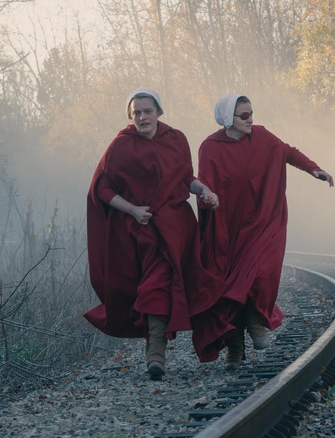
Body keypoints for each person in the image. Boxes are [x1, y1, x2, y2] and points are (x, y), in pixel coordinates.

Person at [84, 87, 224, 380]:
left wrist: (206, 191)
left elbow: (186, 179)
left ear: (159, 112)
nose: (143, 117)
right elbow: (103, 188)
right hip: (139, 232)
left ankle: (156, 352)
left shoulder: (176, 139)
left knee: (162, 283)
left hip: (176, 228)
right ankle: (156, 350)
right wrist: (132, 209)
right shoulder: (121, 146)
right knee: (151, 285)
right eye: (137, 113)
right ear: (130, 116)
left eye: (148, 111)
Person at [194, 94, 334, 370]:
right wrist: (207, 196)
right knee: (229, 287)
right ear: (226, 119)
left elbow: (288, 152)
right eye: (244, 115)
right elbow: (205, 183)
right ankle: (235, 348)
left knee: (260, 271)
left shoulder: (262, 137)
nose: (250, 119)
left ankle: (257, 321)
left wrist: (314, 169)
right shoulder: (210, 147)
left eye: (251, 113)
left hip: (262, 221)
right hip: (228, 228)